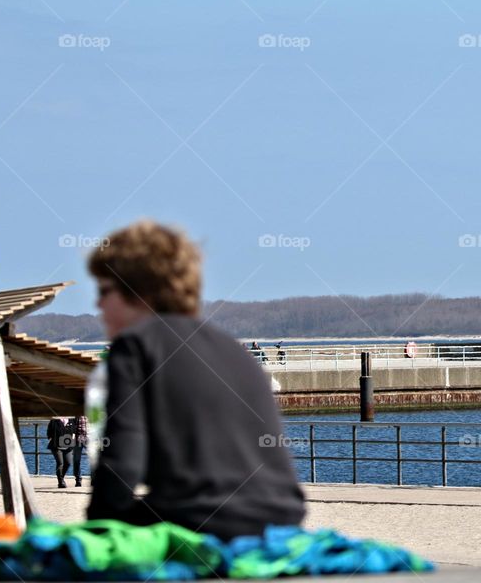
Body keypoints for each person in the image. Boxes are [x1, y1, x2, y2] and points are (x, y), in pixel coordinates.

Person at [85, 220, 305, 539]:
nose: (98, 304)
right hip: (281, 523)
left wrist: (94, 536)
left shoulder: (135, 345)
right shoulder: (234, 350)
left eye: (105, 291)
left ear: (139, 290)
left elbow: (122, 463)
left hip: (200, 520)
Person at [46, 416, 75, 489]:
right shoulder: (54, 420)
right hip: (56, 445)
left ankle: (62, 477)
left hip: (68, 445)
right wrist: (50, 438)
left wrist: (73, 438)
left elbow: (74, 430)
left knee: (68, 463)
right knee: (60, 463)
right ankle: (60, 481)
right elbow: (49, 431)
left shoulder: (71, 419)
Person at [70, 415, 88, 487]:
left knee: (94, 459)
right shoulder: (75, 415)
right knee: (76, 460)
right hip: (78, 440)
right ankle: (78, 480)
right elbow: (72, 428)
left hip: (89, 439)